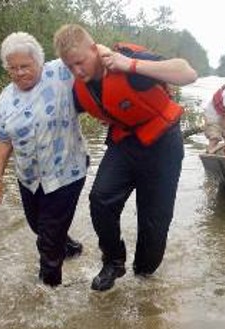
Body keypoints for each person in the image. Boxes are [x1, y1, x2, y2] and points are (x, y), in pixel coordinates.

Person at [53, 24, 197, 291]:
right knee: (100, 199)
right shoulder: (80, 86)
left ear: (94, 50)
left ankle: (144, 276)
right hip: (126, 143)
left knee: (153, 233)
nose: (77, 71)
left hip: (163, 144)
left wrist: (130, 64)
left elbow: (187, 73)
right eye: (70, 67)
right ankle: (113, 261)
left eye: (80, 62)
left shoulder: (127, 61)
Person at [0, 32, 88, 287]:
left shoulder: (61, 73)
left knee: (47, 240)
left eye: (25, 66)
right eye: (13, 68)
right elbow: (3, 139)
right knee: (39, 227)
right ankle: (71, 248)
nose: (19, 72)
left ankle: (48, 293)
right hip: (29, 177)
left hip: (66, 172)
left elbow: (91, 59)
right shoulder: (5, 99)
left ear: (39, 62)